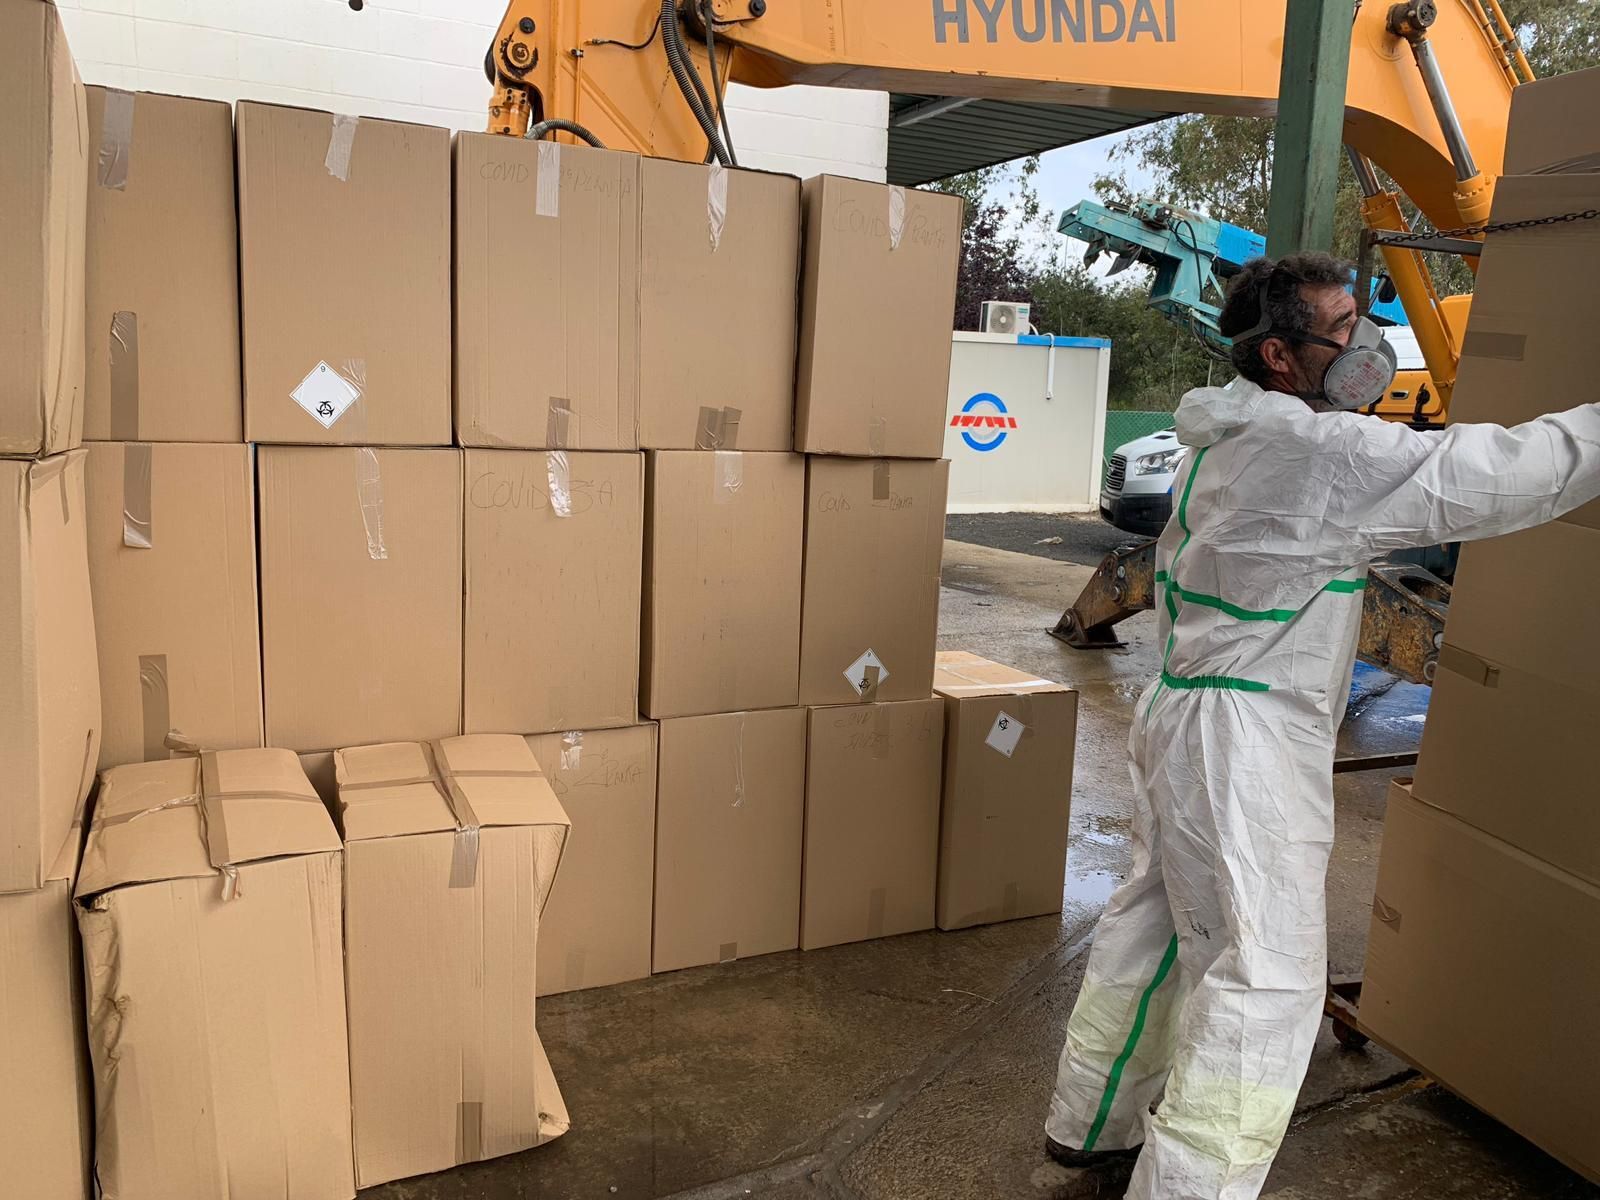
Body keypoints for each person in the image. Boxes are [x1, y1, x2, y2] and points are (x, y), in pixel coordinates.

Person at [1042, 252, 1600, 1200]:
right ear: (1281, 355)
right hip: (1246, 739)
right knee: (1267, 977)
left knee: (1159, 930)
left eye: (1360, 321)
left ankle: (1090, 1121)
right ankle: (1192, 1189)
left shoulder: (1223, 434)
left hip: (1185, 711)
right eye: (1340, 333)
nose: (1365, 348)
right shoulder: (1321, 454)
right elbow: (1501, 472)